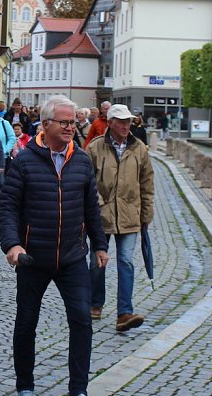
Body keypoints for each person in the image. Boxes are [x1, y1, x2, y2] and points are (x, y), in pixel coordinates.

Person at [0, 95, 109, 396]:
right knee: (26, 322)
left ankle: (78, 394)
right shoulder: (25, 161)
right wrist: (12, 245)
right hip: (33, 257)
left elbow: (91, 207)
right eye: (64, 122)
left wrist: (99, 244)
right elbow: (8, 207)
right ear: (45, 125)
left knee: (82, 320)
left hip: (72, 257)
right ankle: (25, 388)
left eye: (72, 122)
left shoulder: (82, 160)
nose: (70, 127)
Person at [85, 104, 155, 331]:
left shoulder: (139, 148)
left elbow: (147, 183)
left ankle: (124, 312)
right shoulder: (95, 147)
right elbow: (86, 182)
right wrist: (96, 205)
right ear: (110, 123)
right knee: (97, 262)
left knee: (126, 261)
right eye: (122, 121)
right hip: (101, 214)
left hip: (130, 213)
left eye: (128, 121)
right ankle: (95, 303)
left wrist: (146, 213)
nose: (126, 126)